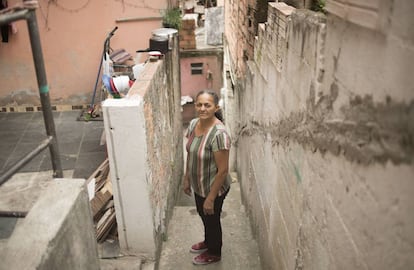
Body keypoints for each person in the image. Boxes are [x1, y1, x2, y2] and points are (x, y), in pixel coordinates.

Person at [183, 90, 231, 265]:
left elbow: (223, 170)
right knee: (204, 215)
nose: (202, 108)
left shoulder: (219, 135)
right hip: (199, 184)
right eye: (199, 104)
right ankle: (207, 241)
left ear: (216, 107)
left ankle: (214, 251)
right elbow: (190, 153)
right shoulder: (194, 124)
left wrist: (211, 198)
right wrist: (186, 177)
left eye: (207, 105)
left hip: (214, 188)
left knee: (211, 218)